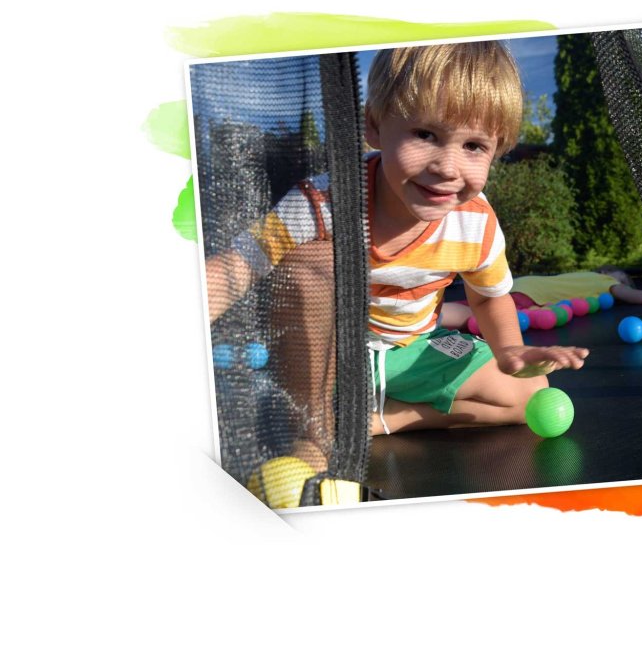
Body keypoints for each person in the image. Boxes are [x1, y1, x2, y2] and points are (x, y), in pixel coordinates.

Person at [204, 42, 588, 473]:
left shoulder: (475, 223)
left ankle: (387, 419)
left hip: (413, 350)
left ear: (496, 149)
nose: (447, 167)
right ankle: (312, 431)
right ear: (374, 125)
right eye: (425, 135)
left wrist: (510, 350)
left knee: (532, 392)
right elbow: (236, 267)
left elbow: (488, 297)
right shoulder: (325, 202)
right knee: (311, 265)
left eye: (474, 146)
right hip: (332, 359)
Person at [439, 266, 642, 330]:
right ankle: (428, 318)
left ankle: (425, 313)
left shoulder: (587, 276)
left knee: (474, 305)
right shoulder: (607, 283)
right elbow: (641, 297)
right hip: (531, 295)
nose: (623, 282)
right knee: (478, 314)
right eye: (623, 278)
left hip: (526, 284)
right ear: (608, 273)